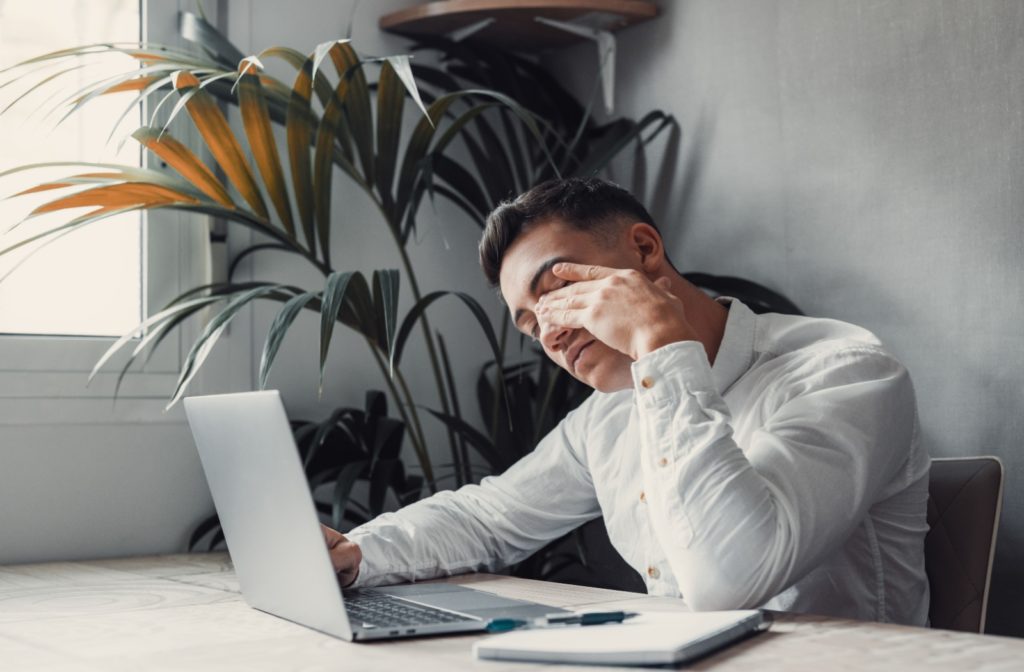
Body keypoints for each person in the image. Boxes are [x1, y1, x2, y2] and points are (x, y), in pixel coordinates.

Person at [320, 177, 930, 625]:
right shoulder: (610, 416)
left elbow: (730, 579)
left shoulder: (845, 372)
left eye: (558, 291)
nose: (552, 334)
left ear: (643, 250)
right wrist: (358, 553)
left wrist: (661, 342)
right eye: (531, 325)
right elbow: (488, 517)